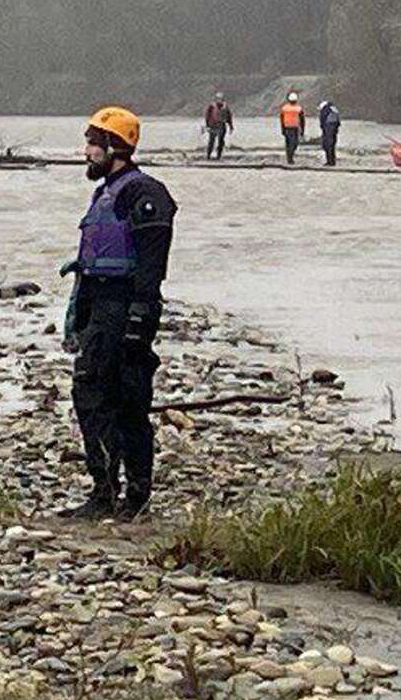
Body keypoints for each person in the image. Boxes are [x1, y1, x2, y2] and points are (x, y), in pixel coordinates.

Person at [60, 106, 176, 521]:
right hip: (102, 308)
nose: (87, 150)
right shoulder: (107, 191)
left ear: (114, 147)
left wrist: (139, 320)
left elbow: (151, 266)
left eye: (93, 142)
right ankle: (108, 492)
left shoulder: (144, 194)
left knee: (121, 399)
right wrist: (79, 315)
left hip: (125, 308)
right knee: (97, 395)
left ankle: (128, 495)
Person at [203, 91, 235, 160]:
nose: (219, 100)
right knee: (211, 141)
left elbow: (229, 116)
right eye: (218, 98)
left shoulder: (225, 107)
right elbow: (207, 116)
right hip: (213, 125)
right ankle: (208, 156)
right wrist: (207, 125)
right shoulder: (212, 106)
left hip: (222, 125)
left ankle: (219, 156)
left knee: (221, 141)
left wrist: (231, 126)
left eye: (221, 98)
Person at [278, 91, 306, 165]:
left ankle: (289, 158)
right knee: (294, 144)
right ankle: (290, 158)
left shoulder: (284, 108)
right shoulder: (299, 108)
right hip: (294, 128)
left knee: (289, 144)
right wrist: (302, 130)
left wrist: (282, 129)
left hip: (287, 128)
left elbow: (281, 120)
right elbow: (302, 121)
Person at [317, 99, 342, 167]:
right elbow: (338, 122)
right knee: (332, 145)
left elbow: (322, 120)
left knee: (327, 145)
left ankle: (329, 161)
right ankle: (333, 161)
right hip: (334, 129)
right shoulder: (334, 109)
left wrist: (322, 128)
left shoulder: (325, 110)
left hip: (328, 128)